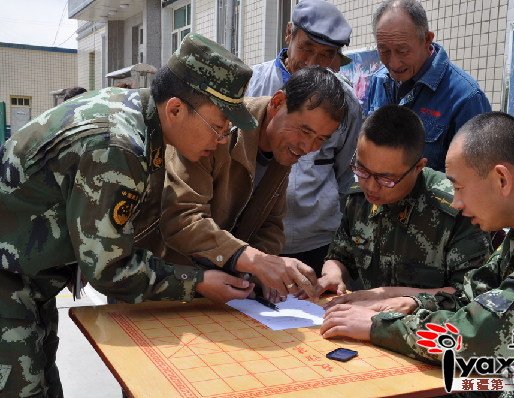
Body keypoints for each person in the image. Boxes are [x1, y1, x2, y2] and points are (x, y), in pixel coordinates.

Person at [0, 33, 259, 397]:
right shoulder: (119, 146)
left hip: (28, 278)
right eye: (218, 126)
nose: (220, 140)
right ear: (175, 109)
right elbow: (110, 268)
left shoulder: (135, 117)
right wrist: (196, 283)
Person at [321, 112, 514, 394]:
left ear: (501, 179)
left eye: (458, 187)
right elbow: (471, 295)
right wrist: (414, 303)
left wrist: (379, 326)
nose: (456, 202)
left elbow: (481, 336)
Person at [158, 66, 347, 303]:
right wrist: (257, 261)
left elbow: (271, 225)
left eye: (321, 139)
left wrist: (260, 274)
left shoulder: (282, 146)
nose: (308, 147)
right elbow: (182, 218)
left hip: (224, 295)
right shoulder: (216, 128)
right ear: (278, 103)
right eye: (305, 131)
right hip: (168, 284)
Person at [316, 105, 491, 308]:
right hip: (363, 323)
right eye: (362, 170)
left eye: (386, 178)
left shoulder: (457, 208)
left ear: (418, 167)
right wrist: (333, 274)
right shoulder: (358, 199)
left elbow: (472, 293)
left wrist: (389, 296)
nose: (371, 186)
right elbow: (340, 255)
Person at [245, 0, 362, 275]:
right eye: (306, 48)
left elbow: (345, 171)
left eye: (325, 55)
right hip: (252, 238)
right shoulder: (251, 85)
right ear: (289, 34)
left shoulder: (347, 104)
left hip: (317, 241)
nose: (311, 62)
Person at [365, 0, 491, 172]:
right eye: (384, 50)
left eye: (402, 51)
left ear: (427, 40)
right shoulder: (378, 81)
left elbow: (476, 179)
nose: (393, 63)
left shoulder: (466, 97)